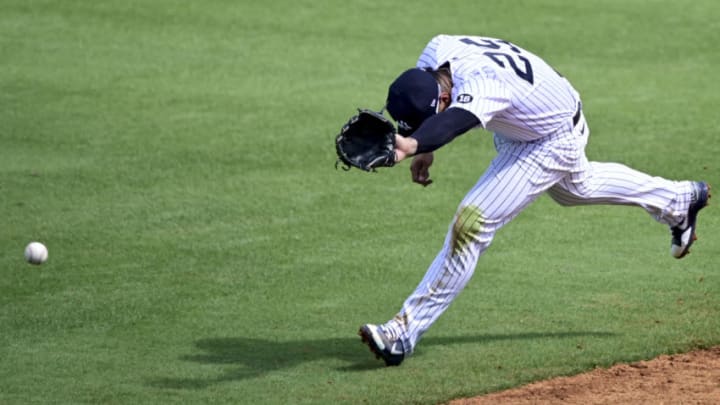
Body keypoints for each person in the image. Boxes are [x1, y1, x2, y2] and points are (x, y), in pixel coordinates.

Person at [357, 34, 711, 367]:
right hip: (539, 114)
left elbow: (452, 123)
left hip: (549, 138)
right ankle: (679, 199)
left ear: (444, 101)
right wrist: (424, 148)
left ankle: (403, 331)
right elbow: (436, 114)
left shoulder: (484, 85)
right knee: (575, 189)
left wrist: (415, 146)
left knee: (471, 222)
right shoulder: (437, 51)